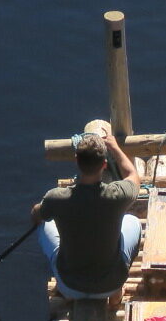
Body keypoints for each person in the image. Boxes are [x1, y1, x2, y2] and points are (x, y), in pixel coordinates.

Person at [31, 127, 143, 302]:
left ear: (77, 161)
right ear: (104, 164)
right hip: (110, 284)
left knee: (45, 223)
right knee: (133, 221)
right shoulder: (117, 195)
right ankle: (115, 297)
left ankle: (65, 293)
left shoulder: (56, 198)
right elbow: (133, 175)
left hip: (70, 286)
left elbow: (36, 214)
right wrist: (114, 147)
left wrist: (41, 210)